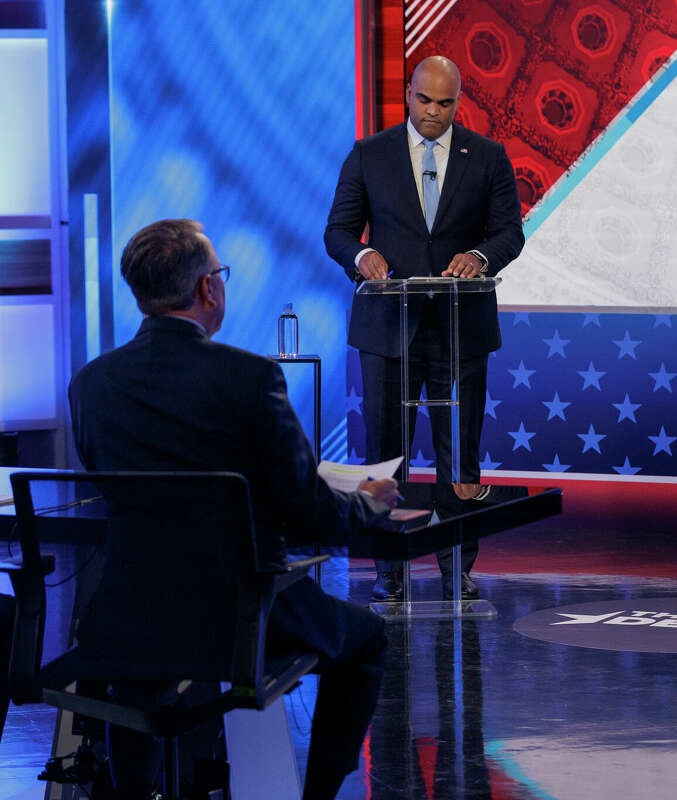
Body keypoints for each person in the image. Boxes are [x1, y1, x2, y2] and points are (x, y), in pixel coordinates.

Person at [69, 219, 400, 800]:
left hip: (126, 616)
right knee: (365, 640)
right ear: (208, 290)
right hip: (238, 616)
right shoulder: (250, 378)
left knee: (138, 680)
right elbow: (309, 515)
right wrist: (369, 505)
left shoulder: (91, 385)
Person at [325, 55, 525, 602]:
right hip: (389, 327)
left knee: (459, 453)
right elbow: (339, 231)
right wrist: (363, 255)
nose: (434, 112)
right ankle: (391, 569)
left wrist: (481, 256)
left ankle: (456, 564)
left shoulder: (487, 156)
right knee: (387, 452)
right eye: (425, 101)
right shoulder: (369, 154)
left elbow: (511, 231)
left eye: (446, 103)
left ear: (459, 102)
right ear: (407, 96)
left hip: (460, 330)